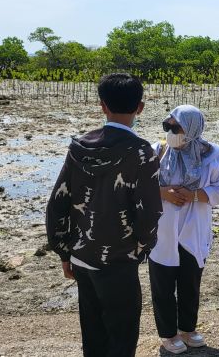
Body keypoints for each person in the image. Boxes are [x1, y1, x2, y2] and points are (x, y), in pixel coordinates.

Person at [46, 72, 163, 357]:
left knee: (93, 333)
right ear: (140, 107)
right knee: (122, 338)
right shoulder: (142, 153)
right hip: (120, 260)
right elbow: (150, 211)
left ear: (102, 105)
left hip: (82, 256)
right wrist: (142, 248)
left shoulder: (79, 147)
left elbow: (57, 204)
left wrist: (64, 252)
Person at [148, 105, 219, 354]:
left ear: (192, 128)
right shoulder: (158, 151)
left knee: (190, 282)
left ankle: (187, 328)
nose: (171, 132)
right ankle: (168, 334)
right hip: (163, 230)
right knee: (162, 285)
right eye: (168, 126)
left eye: (176, 127)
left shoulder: (212, 155)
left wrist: (195, 195)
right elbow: (139, 187)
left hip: (194, 228)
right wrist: (164, 193)